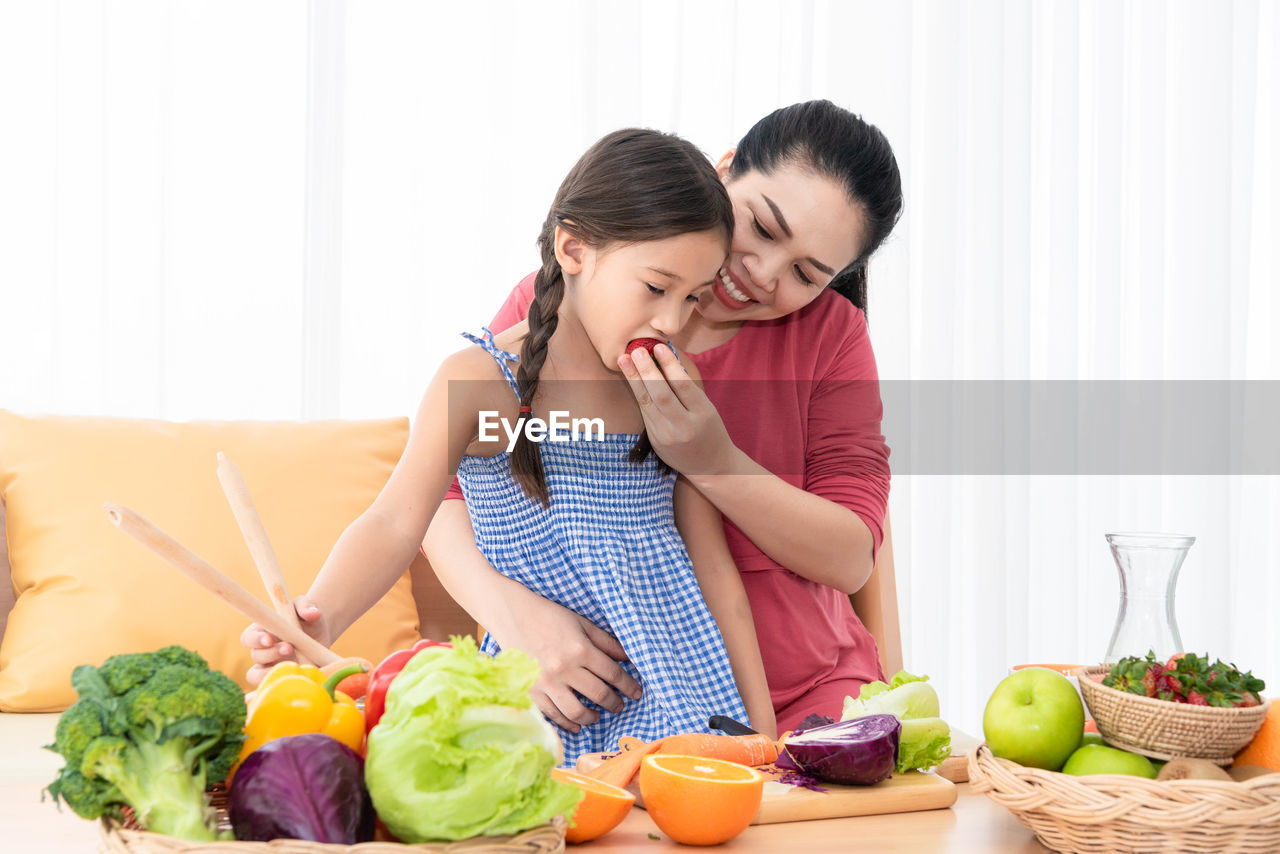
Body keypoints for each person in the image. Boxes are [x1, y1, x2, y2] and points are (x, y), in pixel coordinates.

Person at [251, 100, 902, 736]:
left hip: (733, 694)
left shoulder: (796, 346)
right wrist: (329, 617)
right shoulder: (522, 344)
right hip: (572, 689)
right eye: (762, 228)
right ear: (724, 170)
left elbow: (764, 568)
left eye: (807, 273)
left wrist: (713, 459)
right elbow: (408, 512)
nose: (760, 274)